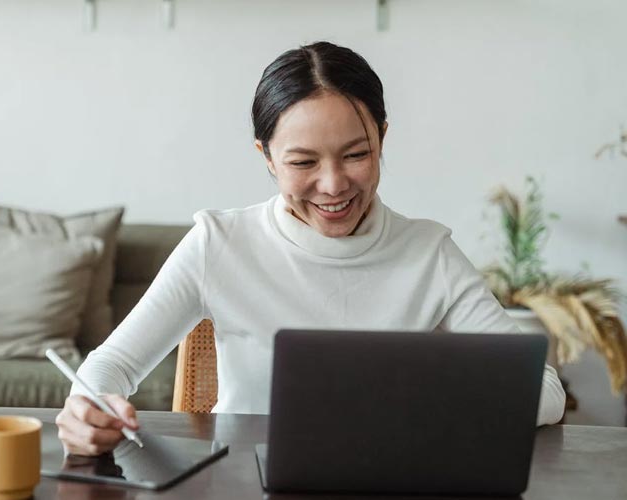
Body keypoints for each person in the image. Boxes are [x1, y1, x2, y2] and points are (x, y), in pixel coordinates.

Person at [56, 41, 566, 456]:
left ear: (382, 140)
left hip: (390, 482)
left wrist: (434, 403)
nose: (333, 185)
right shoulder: (219, 243)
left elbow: (544, 390)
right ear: (268, 158)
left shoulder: (428, 252)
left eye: (357, 154)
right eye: (303, 162)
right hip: (243, 481)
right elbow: (111, 366)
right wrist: (88, 407)